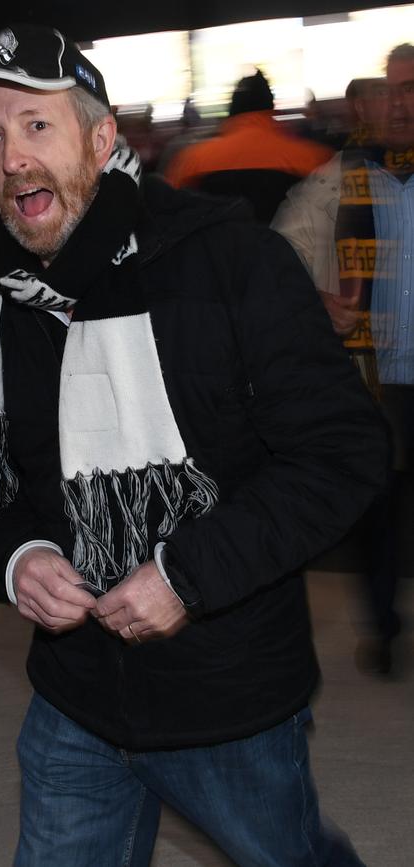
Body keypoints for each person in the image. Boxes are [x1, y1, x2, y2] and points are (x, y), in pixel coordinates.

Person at [0, 24, 388, 866]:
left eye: (37, 127)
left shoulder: (231, 260)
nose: (11, 159)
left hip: (227, 698)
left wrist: (188, 573)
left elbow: (343, 452)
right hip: (73, 696)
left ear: (102, 137)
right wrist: (20, 556)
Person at [272, 43, 414, 675]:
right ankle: (382, 625)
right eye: (392, 90)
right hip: (372, 380)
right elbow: (278, 258)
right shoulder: (339, 177)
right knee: (377, 506)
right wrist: (314, 297)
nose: (400, 104)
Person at [164, 69, 333, 223]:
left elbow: (170, 213)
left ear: (232, 108)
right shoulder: (313, 159)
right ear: (272, 107)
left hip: (217, 254)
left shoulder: (192, 160)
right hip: (292, 254)